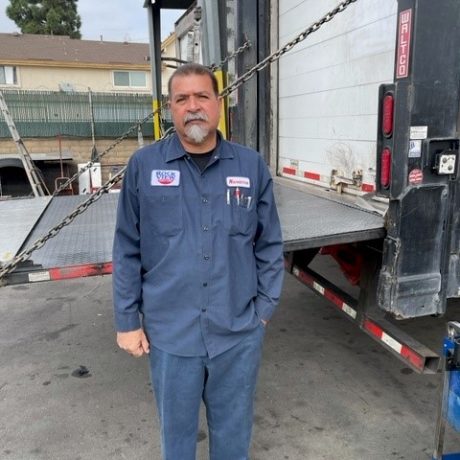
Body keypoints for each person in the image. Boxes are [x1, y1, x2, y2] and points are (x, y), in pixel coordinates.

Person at [112, 63, 284, 460]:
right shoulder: (144, 166)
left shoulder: (250, 166)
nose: (193, 107)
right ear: (169, 109)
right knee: (176, 439)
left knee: (233, 436)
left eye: (202, 96)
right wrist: (126, 321)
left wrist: (263, 310)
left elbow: (269, 244)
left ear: (218, 104)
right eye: (182, 99)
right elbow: (126, 247)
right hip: (171, 335)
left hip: (237, 333)